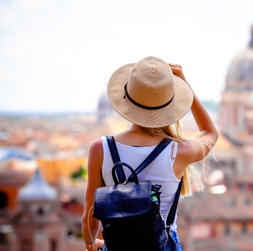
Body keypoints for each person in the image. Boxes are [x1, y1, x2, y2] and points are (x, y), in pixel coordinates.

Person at [81, 56, 219, 251]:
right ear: (171, 104)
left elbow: (89, 216)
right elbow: (210, 133)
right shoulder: (178, 151)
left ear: (126, 100)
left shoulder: (100, 148)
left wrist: (91, 245)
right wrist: (187, 88)